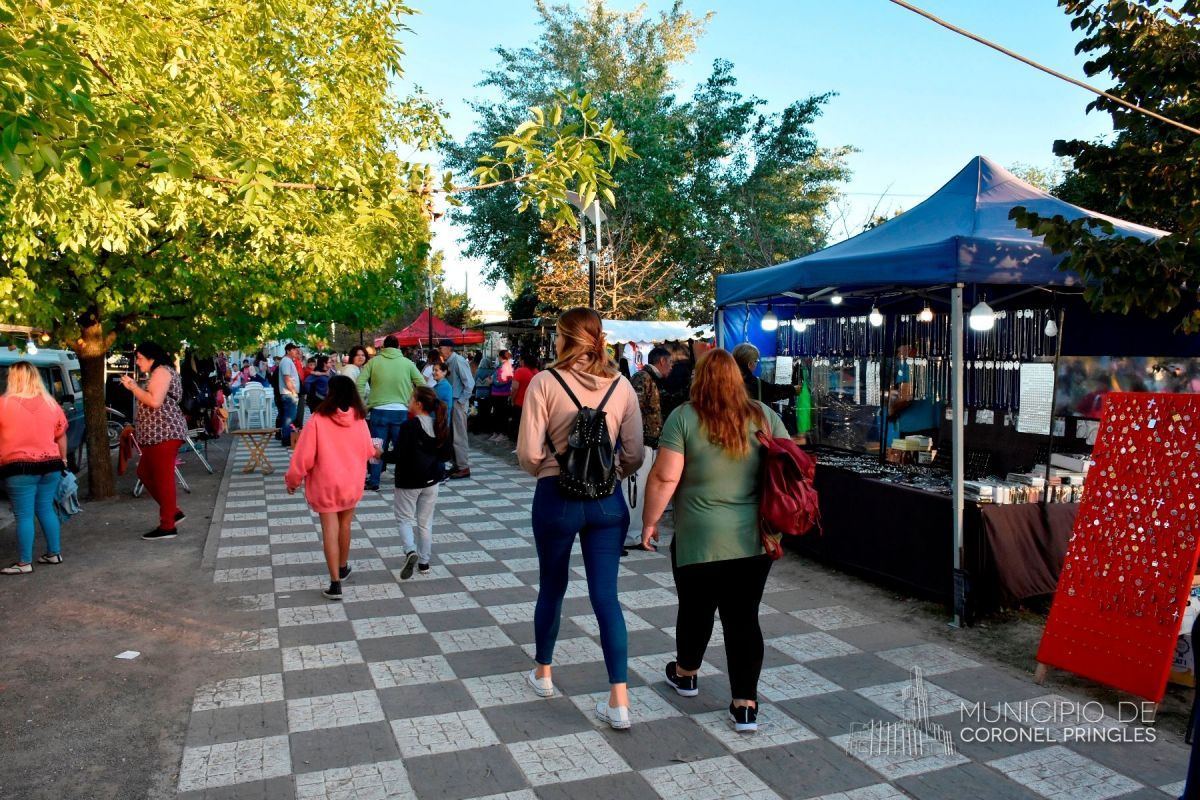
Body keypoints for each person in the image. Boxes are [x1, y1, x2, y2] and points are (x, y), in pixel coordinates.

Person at [641, 348, 788, 734]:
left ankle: (686, 673)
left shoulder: (684, 417)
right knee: (743, 618)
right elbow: (788, 464)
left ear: (699, 378)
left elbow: (665, 476)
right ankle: (745, 706)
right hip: (753, 539)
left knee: (695, 608)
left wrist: (649, 522)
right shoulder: (764, 416)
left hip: (698, 537)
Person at [517, 307, 643, 730]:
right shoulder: (622, 385)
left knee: (552, 586)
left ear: (565, 338)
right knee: (606, 596)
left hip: (557, 497)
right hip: (607, 501)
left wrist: (549, 470)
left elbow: (528, 453)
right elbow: (635, 452)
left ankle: (544, 673)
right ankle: (619, 700)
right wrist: (611, 473)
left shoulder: (545, 382)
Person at [285, 375, 379, 600]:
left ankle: (335, 583)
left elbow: (304, 456)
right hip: (352, 482)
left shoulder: (318, 419)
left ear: (330, 392)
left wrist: (293, 480)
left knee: (330, 529)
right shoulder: (359, 419)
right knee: (345, 524)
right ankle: (343, 567)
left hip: (325, 483)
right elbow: (369, 450)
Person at [0, 361, 68, 574]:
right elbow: (61, 435)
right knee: (46, 508)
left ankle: (24, 562)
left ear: (12, 378)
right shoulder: (51, 404)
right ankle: (54, 553)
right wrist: (64, 459)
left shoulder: (3, 404)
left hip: (18, 467)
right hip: (51, 464)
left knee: (24, 515)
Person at [121, 341, 190, 540]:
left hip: (164, 433)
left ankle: (167, 526)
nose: (137, 362)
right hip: (156, 435)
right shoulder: (160, 372)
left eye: (140, 358)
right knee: (145, 472)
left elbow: (154, 401)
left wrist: (133, 387)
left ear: (152, 357)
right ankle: (173, 512)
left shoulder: (161, 372)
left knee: (163, 478)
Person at [385, 386, 453, 579]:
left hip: (408, 480)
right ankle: (424, 563)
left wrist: (380, 454)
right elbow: (446, 455)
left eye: (411, 399)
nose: (409, 402)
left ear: (419, 404)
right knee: (425, 522)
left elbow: (397, 456)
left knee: (404, 518)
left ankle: (410, 550)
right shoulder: (440, 424)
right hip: (432, 480)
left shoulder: (409, 426)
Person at [356, 334, 425, 491]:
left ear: (383, 347)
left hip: (378, 411)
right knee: (403, 447)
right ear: (399, 347)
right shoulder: (407, 363)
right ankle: (406, 478)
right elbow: (421, 383)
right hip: (401, 412)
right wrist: (415, 402)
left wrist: (361, 404)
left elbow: (360, 382)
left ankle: (374, 481)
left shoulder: (373, 362)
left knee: (376, 446)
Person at [624, 346, 673, 543]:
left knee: (645, 490)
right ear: (662, 361)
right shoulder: (642, 378)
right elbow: (632, 410)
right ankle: (631, 535)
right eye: (670, 363)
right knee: (636, 491)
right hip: (642, 443)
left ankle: (639, 533)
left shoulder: (653, 380)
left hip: (651, 443)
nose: (671, 367)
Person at [438, 338, 476, 479]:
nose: (439, 350)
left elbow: (469, 383)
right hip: (452, 401)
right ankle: (457, 465)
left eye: (441, 347)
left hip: (458, 402)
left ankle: (463, 466)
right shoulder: (448, 361)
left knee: (459, 435)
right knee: (453, 435)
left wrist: (461, 401)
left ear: (449, 348)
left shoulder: (458, 360)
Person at [731, 343, 804, 406]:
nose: (756, 364)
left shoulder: (727, 379)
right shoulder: (753, 383)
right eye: (756, 361)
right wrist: (793, 389)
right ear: (750, 364)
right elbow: (772, 391)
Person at [509, 352, 539, 442]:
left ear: (524, 361)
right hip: (532, 403)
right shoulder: (537, 372)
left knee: (517, 422)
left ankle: (517, 440)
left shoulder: (520, 371)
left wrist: (512, 399)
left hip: (520, 402)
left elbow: (514, 388)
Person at [488, 350, 514, 442]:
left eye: (498, 356)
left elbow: (502, 381)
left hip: (502, 394)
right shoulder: (501, 366)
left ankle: (502, 433)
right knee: (497, 414)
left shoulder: (506, 366)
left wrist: (492, 381)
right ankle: (497, 432)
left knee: (501, 414)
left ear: (500, 357)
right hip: (497, 393)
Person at [303, 355, 332, 423]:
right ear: (325, 363)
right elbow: (307, 382)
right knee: (318, 420)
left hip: (326, 400)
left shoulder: (329, 372)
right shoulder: (317, 373)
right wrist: (311, 393)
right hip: (317, 401)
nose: (331, 363)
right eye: (330, 362)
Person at [472, 353, 495, 435]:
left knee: (479, 411)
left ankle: (478, 429)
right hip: (488, 394)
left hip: (478, 394)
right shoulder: (491, 371)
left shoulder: (477, 371)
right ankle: (486, 429)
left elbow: (474, 382)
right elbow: (493, 383)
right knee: (487, 411)